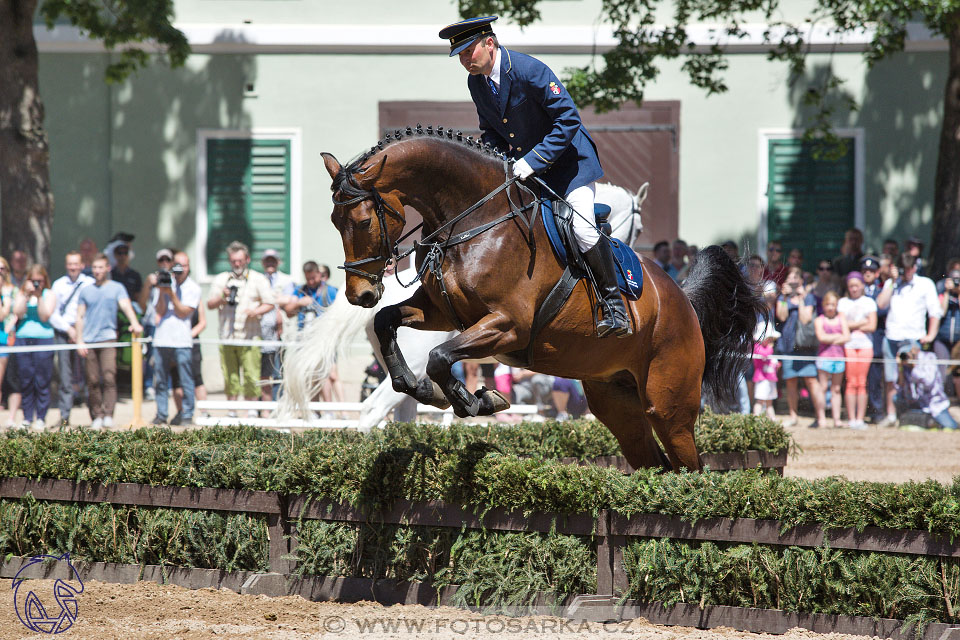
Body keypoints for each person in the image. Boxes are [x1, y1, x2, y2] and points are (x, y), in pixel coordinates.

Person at [440, 16, 629, 338]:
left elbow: (568, 120)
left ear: (489, 43)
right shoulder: (477, 84)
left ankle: (614, 306)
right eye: (459, 56)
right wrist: (496, 163)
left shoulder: (529, 70)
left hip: (570, 168)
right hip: (527, 172)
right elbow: (492, 132)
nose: (465, 60)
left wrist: (535, 158)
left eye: (469, 51)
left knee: (582, 229)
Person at [206, 241, 274, 418]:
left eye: (240, 260)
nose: (237, 264)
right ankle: (232, 410)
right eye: (233, 261)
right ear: (230, 261)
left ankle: (251, 409)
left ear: (247, 260)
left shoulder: (258, 278)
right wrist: (223, 296)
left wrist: (255, 311)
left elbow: (270, 303)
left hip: (250, 336)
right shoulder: (222, 279)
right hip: (227, 337)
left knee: (252, 375)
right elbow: (210, 304)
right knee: (230, 376)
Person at [75, 254, 143, 429]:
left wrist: (135, 323)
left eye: (100, 267)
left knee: (109, 376)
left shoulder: (116, 288)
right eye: (95, 268)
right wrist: (79, 340)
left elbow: (126, 306)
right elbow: (80, 316)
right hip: (90, 341)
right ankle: (96, 415)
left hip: (108, 338)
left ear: (107, 268)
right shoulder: (86, 290)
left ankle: (108, 414)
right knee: (92, 380)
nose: (97, 271)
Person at [875, 253, 942, 429]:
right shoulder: (893, 283)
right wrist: (893, 282)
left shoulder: (925, 284)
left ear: (914, 268)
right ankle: (891, 415)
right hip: (891, 336)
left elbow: (934, 311)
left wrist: (931, 335)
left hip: (912, 338)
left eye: (908, 269)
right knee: (891, 378)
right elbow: (880, 304)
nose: (905, 272)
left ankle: (914, 414)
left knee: (914, 378)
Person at [150, 251, 200, 426]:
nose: (180, 269)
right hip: (162, 338)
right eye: (177, 264)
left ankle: (187, 413)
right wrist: (163, 290)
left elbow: (183, 312)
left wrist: (171, 294)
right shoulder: (165, 281)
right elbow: (160, 311)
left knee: (186, 379)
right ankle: (161, 414)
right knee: (161, 379)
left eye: (184, 265)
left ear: (188, 267)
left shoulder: (193, 288)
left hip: (182, 340)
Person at [284, 262, 342, 402]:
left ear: (319, 274)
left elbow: (338, 312)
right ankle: (315, 410)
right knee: (309, 375)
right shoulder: (300, 290)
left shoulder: (330, 291)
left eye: (313, 278)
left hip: (323, 340)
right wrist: (299, 303)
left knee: (326, 374)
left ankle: (329, 409)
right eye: (308, 278)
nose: (311, 282)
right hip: (304, 340)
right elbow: (288, 311)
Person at [775, 266, 826, 426]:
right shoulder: (782, 298)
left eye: (796, 280)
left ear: (802, 282)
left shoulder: (809, 297)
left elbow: (805, 318)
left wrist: (802, 296)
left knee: (811, 380)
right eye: (790, 280)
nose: (794, 284)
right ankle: (793, 416)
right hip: (788, 346)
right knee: (790, 381)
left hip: (805, 347)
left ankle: (821, 417)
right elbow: (781, 316)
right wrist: (783, 296)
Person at [49, 251, 93, 426]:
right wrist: (68, 329)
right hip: (63, 332)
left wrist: (80, 331)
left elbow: (92, 310)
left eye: (76, 264)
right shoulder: (58, 285)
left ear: (82, 265)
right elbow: (53, 312)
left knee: (90, 375)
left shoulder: (89, 283)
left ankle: (95, 417)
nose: (73, 267)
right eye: (70, 264)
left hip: (86, 333)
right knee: (65, 377)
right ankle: (65, 416)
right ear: (66, 265)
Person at [12, 265, 58, 431]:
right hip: (23, 339)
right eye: (33, 280)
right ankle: (27, 416)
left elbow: (45, 316)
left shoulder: (49, 294)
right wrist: (25, 295)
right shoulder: (21, 293)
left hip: (43, 339)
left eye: (39, 280)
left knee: (42, 379)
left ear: (44, 280)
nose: (37, 283)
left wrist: (39, 297)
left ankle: (41, 417)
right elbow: (17, 312)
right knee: (26, 379)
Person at [838, 271, 877, 430]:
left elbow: (872, 326)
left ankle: (860, 418)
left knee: (862, 382)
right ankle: (851, 418)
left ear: (862, 286)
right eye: (851, 286)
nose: (854, 289)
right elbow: (842, 325)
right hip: (849, 345)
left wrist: (851, 324)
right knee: (851, 381)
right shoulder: (843, 302)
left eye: (856, 285)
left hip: (865, 345)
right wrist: (862, 322)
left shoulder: (869, 302)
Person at [897, 341, 958, 430]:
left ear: (915, 350)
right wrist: (900, 368)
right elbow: (899, 387)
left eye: (908, 352)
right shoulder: (904, 364)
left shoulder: (929, 357)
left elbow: (929, 382)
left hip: (935, 404)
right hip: (917, 405)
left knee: (951, 427)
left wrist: (914, 367)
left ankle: (944, 418)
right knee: (896, 399)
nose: (906, 356)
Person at [259, 249, 293, 405]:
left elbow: (289, 300)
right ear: (263, 263)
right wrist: (277, 300)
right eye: (267, 260)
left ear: (278, 262)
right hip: (261, 333)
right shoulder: (258, 280)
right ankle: (265, 405)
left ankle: (279, 403)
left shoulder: (286, 280)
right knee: (263, 372)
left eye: (273, 260)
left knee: (280, 371)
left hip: (282, 333)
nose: (270, 263)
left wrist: (273, 303)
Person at [814, 290, 850, 428]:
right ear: (823, 305)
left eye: (833, 304)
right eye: (828, 304)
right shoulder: (819, 320)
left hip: (839, 357)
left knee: (836, 389)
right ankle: (821, 418)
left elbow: (847, 337)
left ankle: (836, 419)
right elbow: (821, 337)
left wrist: (831, 339)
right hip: (824, 358)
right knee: (822, 387)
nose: (830, 307)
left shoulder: (842, 318)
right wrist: (838, 338)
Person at [859, 255, 887, 422]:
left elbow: (882, 310)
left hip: (875, 340)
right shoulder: (854, 290)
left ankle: (876, 411)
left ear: (877, 273)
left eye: (871, 270)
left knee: (875, 379)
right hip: (857, 342)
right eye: (864, 270)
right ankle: (858, 413)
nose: (867, 273)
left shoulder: (881, 292)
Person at [935, 261, 960, 399]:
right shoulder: (942, 288)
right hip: (942, 339)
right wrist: (946, 292)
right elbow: (941, 312)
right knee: (942, 371)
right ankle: (940, 399)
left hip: (958, 341)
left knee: (958, 373)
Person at [0, 258, 21, 427]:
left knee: (13, 380)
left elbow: (11, 314)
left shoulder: (13, 290)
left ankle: (11, 419)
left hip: (9, 339)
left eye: (2, 269)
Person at [752, 320, 780, 420]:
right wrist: (770, 348)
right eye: (768, 338)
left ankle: (772, 420)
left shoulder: (769, 347)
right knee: (759, 401)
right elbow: (764, 354)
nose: (770, 341)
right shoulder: (757, 347)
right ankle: (755, 419)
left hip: (771, 379)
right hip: (761, 379)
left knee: (769, 402)